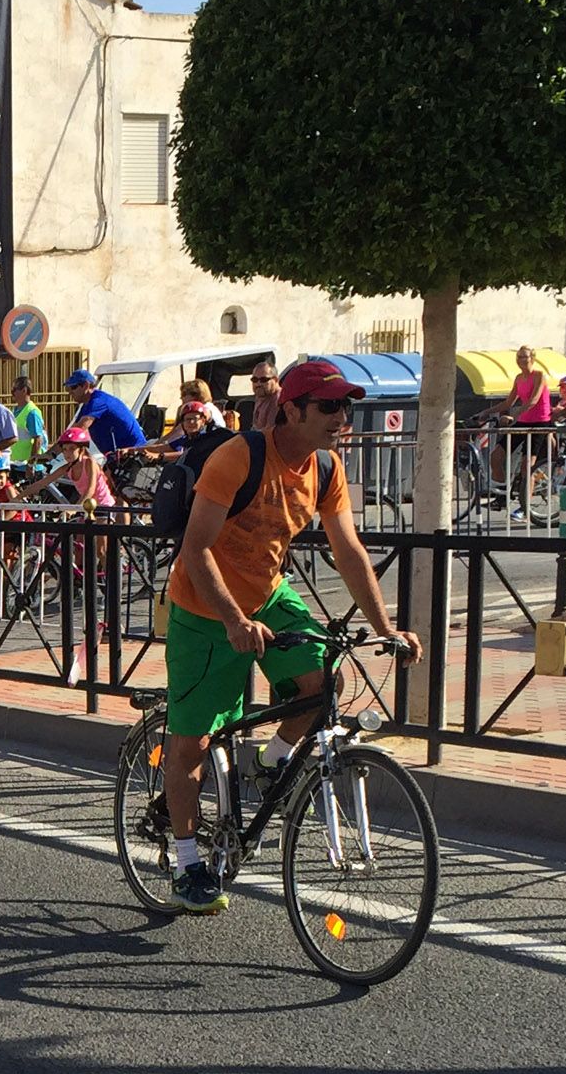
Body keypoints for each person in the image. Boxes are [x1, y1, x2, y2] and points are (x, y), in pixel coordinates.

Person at [162, 360, 421, 911]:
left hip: (269, 595)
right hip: (205, 607)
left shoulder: (327, 467)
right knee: (193, 742)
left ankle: (271, 761)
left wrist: (385, 627)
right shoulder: (238, 457)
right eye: (329, 407)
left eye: (346, 407)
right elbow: (195, 546)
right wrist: (232, 619)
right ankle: (187, 862)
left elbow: (348, 550)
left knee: (322, 677)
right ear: (293, 409)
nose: (341, 417)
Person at [480, 345, 554, 523]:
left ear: (533, 358)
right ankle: (502, 495)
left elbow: (533, 400)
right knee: (496, 456)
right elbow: (508, 402)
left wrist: (513, 416)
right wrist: (485, 413)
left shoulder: (539, 376)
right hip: (522, 421)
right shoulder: (519, 378)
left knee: (527, 465)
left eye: (525, 357)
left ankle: (525, 507)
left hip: (540, 422)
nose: (521, 360)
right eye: (519, 357)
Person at [15, 426, 116, 510]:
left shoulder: (90, 463)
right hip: (86, 507)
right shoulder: (67, 467)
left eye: (72, 449)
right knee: (75, 534)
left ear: (81, 449)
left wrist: (73, 509)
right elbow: (42, 483)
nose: (67, 453)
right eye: (64, 449)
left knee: (99, 533)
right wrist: (17, 498)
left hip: (103, 507)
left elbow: (90, 490)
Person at [65, 369, 146, 453]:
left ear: (86, 385)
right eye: (68, 388)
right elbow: (72, 431)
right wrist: (52, 454)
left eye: (73, 387)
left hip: (132, 453)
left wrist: (53, 455)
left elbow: (77, 431)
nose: (70, 392)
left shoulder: (98, 402)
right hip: (117, 455)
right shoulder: (87, 405)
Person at [4, 375, 50, 475]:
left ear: (24, 390)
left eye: (14, 389)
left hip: (27, 467)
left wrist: (31, 465)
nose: (12, 393)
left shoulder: (32, 412)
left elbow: (37, 440)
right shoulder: (15, 411)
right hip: (16, 464)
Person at [242, 359, 281, 433]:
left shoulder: (278, 400)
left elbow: (269, 433)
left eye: (263, 380)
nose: (258, 384)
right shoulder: (261, 395)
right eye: (254, 379)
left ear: (275, 380)